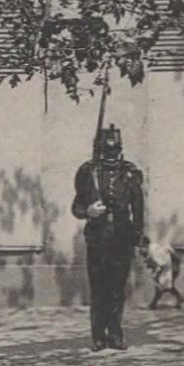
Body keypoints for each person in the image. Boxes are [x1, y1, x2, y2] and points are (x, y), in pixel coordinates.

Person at [70, 124, 146, 351]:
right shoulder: (89, 172)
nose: (111, 155)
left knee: (117, 288)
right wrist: (89, 212)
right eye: (107, 150)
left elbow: (138, 209)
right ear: (99, 149)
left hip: (121, 238)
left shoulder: (130, 174)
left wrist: (137, 237)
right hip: (98, 237)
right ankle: (98, 335)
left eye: (115, 150)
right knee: (99, 288)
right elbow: (76, 207)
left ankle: (115, 333)